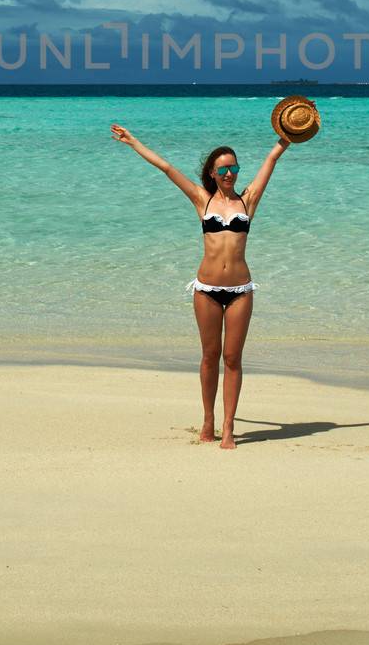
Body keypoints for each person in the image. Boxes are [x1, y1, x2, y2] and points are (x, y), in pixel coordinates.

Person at [110, 123, 291, 448]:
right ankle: (208, 420)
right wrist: (133, 141)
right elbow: (166, 167)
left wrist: (295, 129)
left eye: (234, 167)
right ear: (212, 171)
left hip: (240, 291)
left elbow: (273, 157)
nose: (230, 173)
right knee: (210, 356)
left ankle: (229, 426)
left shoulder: (248, 200)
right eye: (224, 168)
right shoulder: (201, 199)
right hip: (206, 289)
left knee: (233, 358)